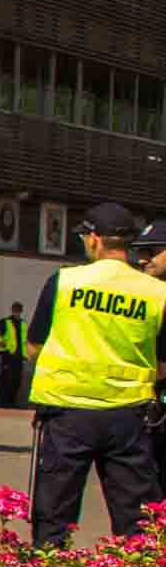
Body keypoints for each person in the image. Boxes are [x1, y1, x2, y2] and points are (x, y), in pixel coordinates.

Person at [25, 201, 166, 547]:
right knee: (139, 515)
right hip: (129, 415)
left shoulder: (65, 282)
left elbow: (33, 346)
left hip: (67, 412)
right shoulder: (157, 292)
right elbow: (162, 362)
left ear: (94, 239)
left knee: (54, 510)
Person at [0, 299, 28, 410]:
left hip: (19, 357)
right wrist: (0, 340)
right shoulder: (6, 321)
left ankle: (12, 402)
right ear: (12, 310)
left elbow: (24, 340)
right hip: (7, 355)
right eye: (15, 310)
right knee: (6, 379)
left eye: (18, 310)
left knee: (16, 381)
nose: (17, 312)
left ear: (21, 311)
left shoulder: (23, 324)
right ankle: (4, 403)